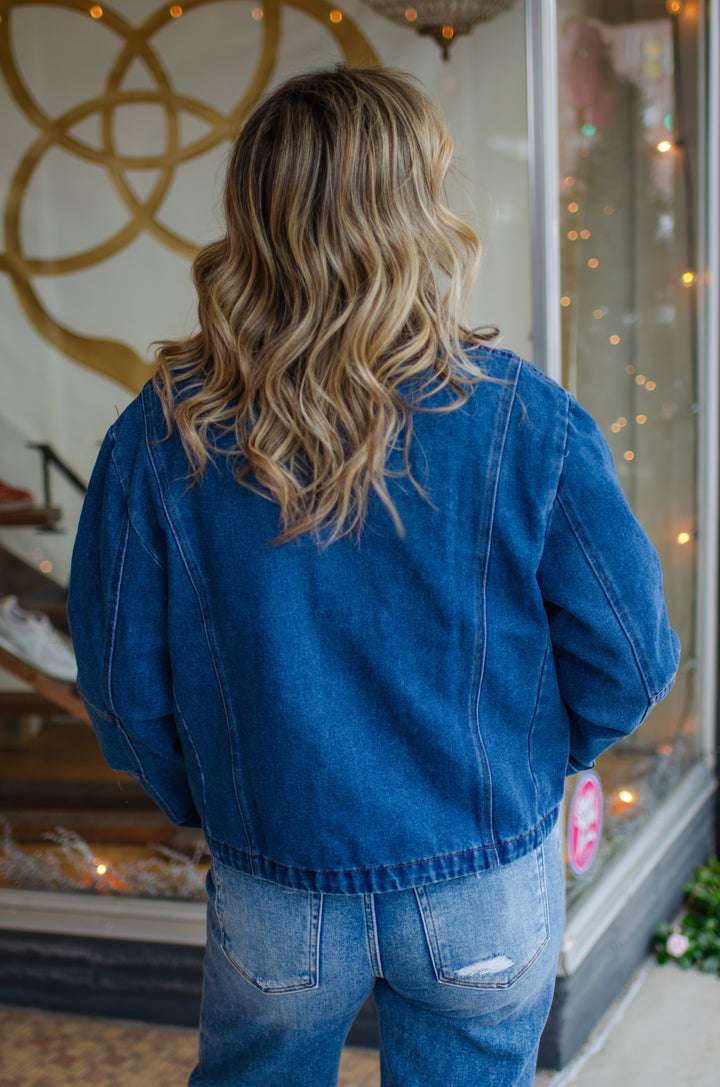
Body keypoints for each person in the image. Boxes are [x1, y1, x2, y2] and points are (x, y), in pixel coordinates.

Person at [68, 65, 679, 1087]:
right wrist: (516, 775)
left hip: (275, 878)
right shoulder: (524, 421)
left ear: (250, 218)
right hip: (483, 873)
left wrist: (222, 800)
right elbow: (631, 660)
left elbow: (125, 695)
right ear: (419, 213)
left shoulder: (162, 431)